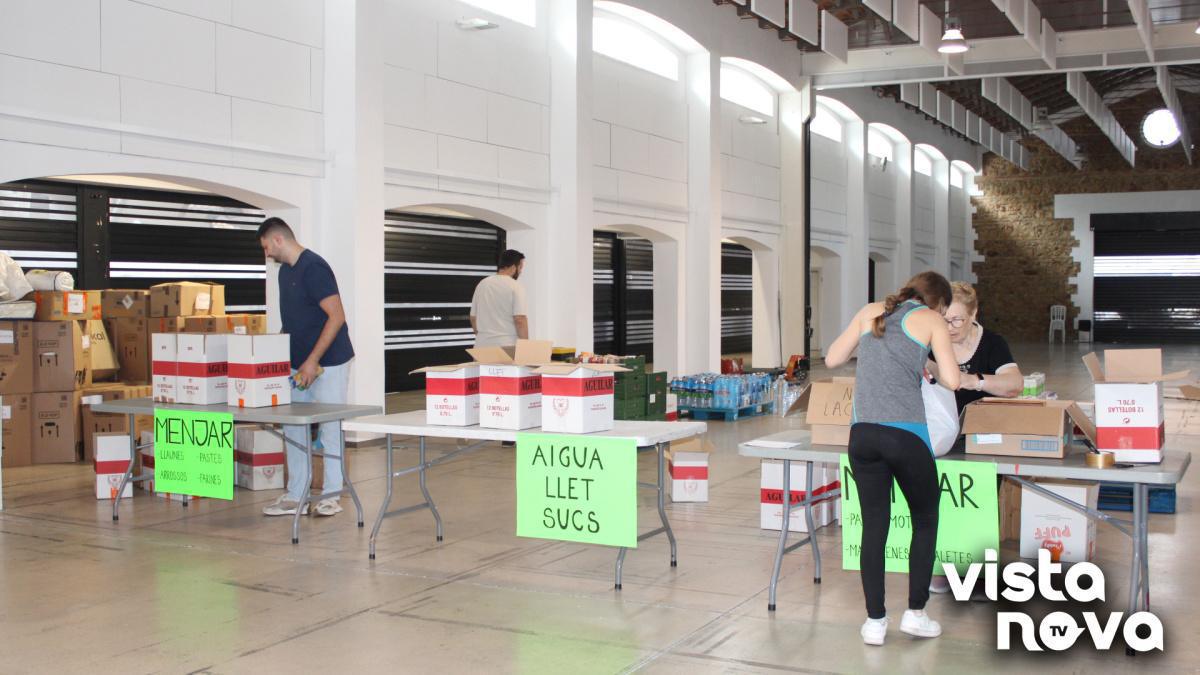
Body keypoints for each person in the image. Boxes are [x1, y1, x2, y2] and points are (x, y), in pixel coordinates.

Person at [825, 271, 961, 647]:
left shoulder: (871, 311)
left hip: (863, 434)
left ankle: (874, 622)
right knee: (925, 519)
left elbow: (833, 357)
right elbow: (952, 380)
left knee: (874, 527)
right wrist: (931, 363)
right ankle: (916, 614)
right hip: (906, 435)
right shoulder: (931, 319)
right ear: (939, 303)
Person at [257, 218, 355, 518]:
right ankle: (296, 493)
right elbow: (295, 320)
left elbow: (336, 316)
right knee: (294, 426)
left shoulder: (314, 267)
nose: (267, 255)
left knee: (329, 427)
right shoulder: (284, 273)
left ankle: (331, 494)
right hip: (297, 366)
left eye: (266, 248)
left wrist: (313, 361)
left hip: (329, 362)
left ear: (277, 240)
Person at [940, 281, 1023, 414]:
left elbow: (1015, 384)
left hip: (983, 423)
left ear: (973, 314)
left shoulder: (992, 343)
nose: (949, 328)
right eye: (943, 320)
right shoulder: (931, 342)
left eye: (957, 320)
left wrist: (973, 381)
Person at [470, 249, 528, 347]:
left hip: (481, 346)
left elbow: (473, 318)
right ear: (514, 267)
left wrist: (484, 337)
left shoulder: (482, 284)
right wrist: (526, 346)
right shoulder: (515, 286)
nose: (520, 271)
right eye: (520, 267)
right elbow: (520, 319)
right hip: (506, 346)